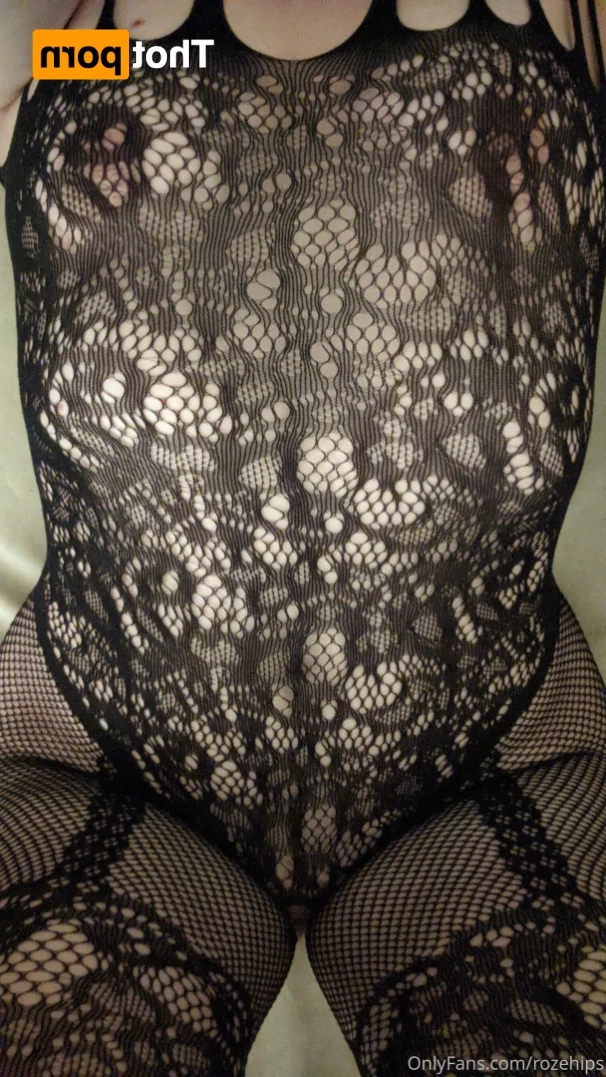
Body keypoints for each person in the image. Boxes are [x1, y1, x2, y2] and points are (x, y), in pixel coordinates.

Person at [1, 0, 606, 1073]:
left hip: (495, 761)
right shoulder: (62, 36)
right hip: (96, 753)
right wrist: (146, 50)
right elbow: (48, 56)